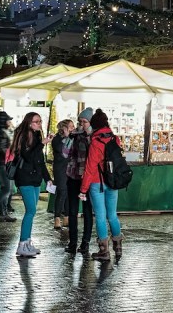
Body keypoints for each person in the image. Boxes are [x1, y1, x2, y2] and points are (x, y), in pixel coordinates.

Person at [80, 109, 123, 262]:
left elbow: (90, 168)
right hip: (112, 182)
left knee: (100, 216)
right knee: (112, 215)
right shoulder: (115, 139)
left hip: (97, 184)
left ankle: (104, 251)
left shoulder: (95, 142)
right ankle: (118, 247)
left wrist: (83, 190)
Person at [11, 111, 51, 258]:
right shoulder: (24, 136)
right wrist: (41, 144)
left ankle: (27, 243)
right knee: (30, 211)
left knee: (32, 212)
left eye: (40, 121)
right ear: (29, 123)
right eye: (36, 121)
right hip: (25, 178)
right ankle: (22, 245)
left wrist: (47, 178)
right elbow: (28, 157)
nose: (39, 124)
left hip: (35, 179)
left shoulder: (36, 136)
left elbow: (40, 160)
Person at [65, 108, 94, 255]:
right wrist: (68, 138)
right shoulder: (74, 135)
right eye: (80, 121)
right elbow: (65, 153)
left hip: (87, 178)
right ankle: (73, 242)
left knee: (87, 211)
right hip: (73, 176)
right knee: (72, 211)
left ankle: (85, 242)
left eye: (85, 121)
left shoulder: (93, 136)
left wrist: (87, 135)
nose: (82, 124)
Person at [0, 110, 16, 222]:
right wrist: (10, 156)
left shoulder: (1, 130)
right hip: (2, 163)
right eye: (8, 120)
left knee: (6, 189)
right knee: (6, 189)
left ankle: (3, 213)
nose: (9, 121)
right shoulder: (0, 131)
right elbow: (1, 149)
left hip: (3, 162)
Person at [51, 119, 73, 230]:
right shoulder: (57, 139)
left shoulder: (71, 138)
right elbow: (61, 150)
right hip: (60, 168)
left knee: (68, 192)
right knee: (62, 191)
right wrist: (66, 136)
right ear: (64, 128)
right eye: (70, 126)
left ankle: (67, 218)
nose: (73, 128)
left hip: (70, 168)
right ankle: (57, 218)